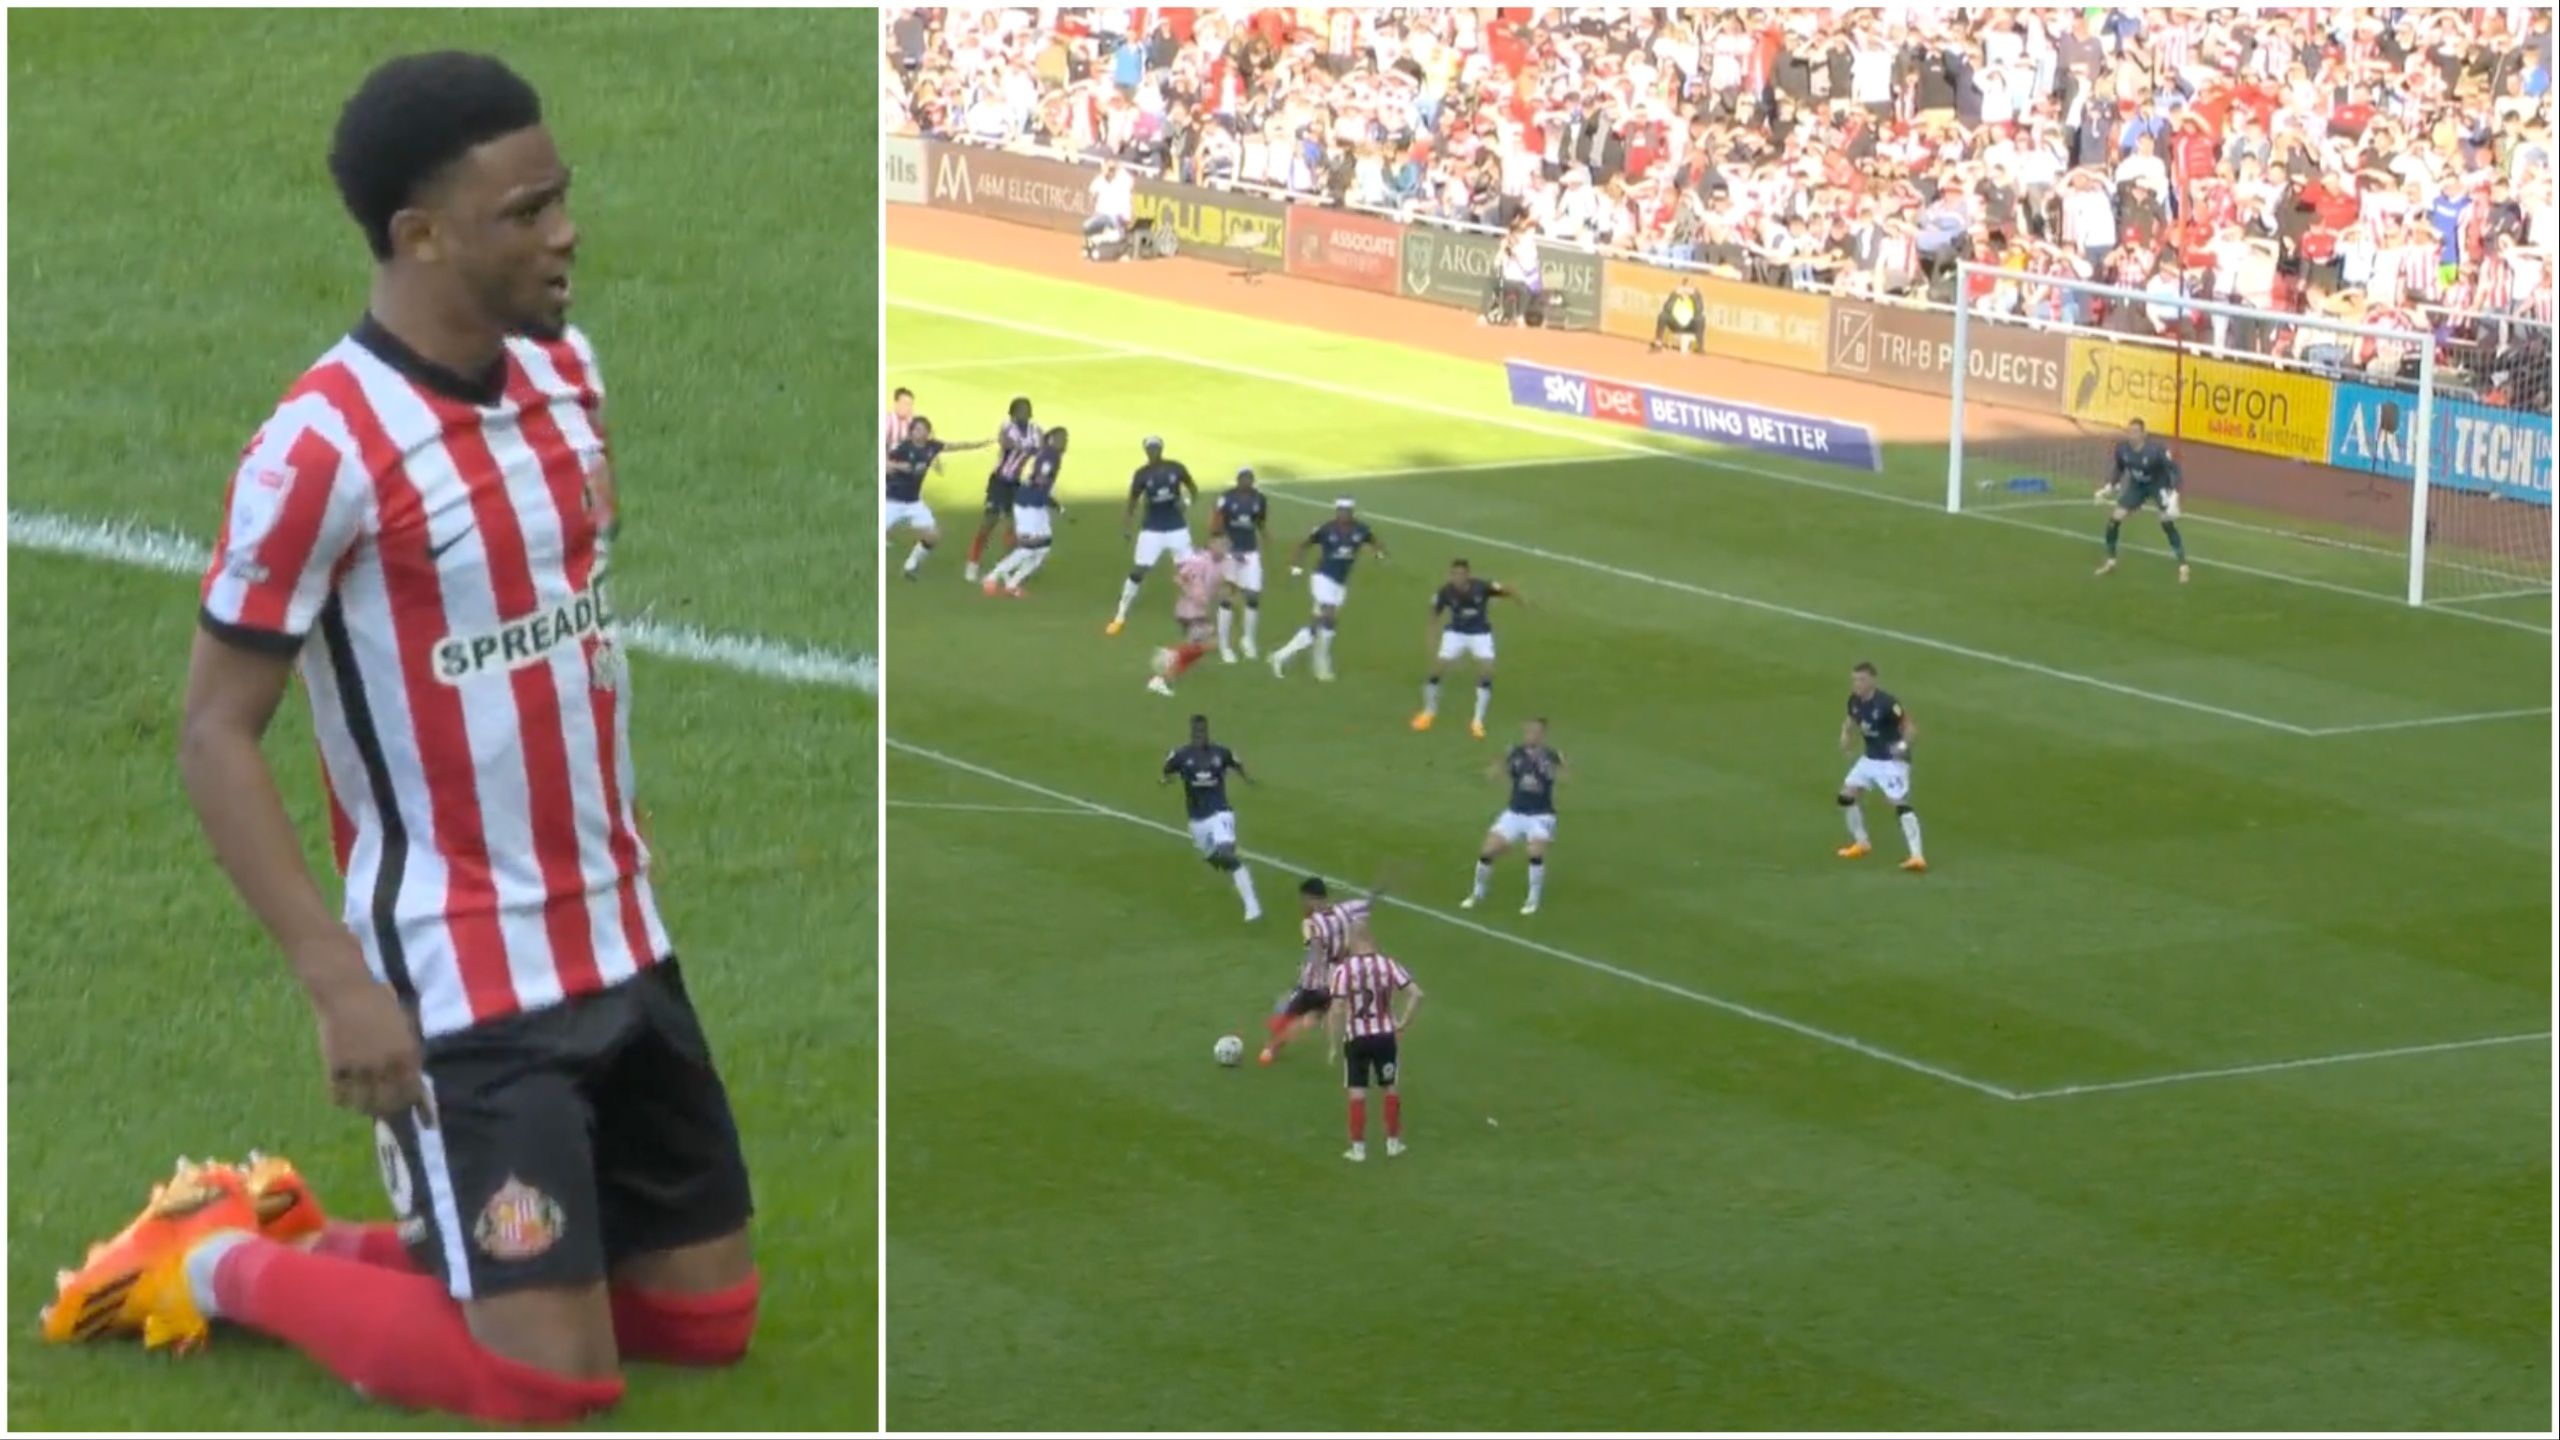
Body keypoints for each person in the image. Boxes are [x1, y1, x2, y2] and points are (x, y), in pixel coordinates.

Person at [44, 52, 759, 1426]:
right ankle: (218, 1262)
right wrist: (339, 982)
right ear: (421, 236)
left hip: (622, 931)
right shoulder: (319, 451)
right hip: (462, 982)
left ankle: (329, 1240)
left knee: (702, 1324)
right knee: (543, 1383)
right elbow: (214, 732)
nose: (566, 232)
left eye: (564, 197)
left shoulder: (567, 370)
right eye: (527, 211)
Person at [1324, 928, 1421, 1163]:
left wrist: (1333, 1045)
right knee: (1389, 1087)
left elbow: (1336, 1009)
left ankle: (1358, 1150)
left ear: (1355, 942)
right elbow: (1416, 994)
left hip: (1356, 1038)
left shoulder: (1343, 971)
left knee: (1357, 1092)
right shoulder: (1388, 965)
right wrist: (1402, 1024)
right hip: (1385, 1036)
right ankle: (1393, 1144)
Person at [1159, 713, 1263, 922]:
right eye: (1196, 732)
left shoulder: (1220, 753)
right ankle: (1238, 869)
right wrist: (1165, 780)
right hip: (1197, 820)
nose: (1200, 735)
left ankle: (1252, 906)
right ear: (1191, 733)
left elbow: (1236, 763)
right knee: (1215, 859)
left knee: (1226, 852)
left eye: (1203, 731)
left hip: (1220, 812)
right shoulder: (1181, 756)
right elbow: (1166, 770)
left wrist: (1248, 779)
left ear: (1207, 732)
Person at [1269, 499, 1387, 681]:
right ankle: (1321, 663)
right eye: (1341, 510)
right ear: (1337, 511)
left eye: (1348, 511)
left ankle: (1280, 656)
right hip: (1322, 578)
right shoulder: (1326, 529)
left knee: (1320, 625)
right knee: (1329, 617)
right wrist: (1296, 566)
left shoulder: (1361, 529)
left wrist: (1379, 553)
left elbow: (1374, 540)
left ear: (1352, 511)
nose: (1345, 514)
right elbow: (1303, 544)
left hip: (1340, 583)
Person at [1260, 878, 1368, 1066]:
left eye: (1304, 899)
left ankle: (1271, 1049)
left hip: (1313, 983)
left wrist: (1319, 980)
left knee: (1285, 1013)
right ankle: (1282, 1041)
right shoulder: (1345, 910)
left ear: (1311, 898)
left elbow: (1317, 952)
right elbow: (1368, 902)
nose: (1303, 903)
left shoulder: (1313, 922)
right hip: (1337, 981)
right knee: (1313, 1015)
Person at [1465, 717, 1565, 915]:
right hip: (1515, 812)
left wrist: (1564, 766)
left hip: (1541, 816)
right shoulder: (1515, 753)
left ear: (1542, 734)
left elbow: (1564, 780)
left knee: (1535, 854)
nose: (1531, 735)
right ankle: (1478, 893)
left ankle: (1532, 899)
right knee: (1487, 852)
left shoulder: (1550, 756)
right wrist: (1496, 767)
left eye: (1535, 731)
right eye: (1528, 731)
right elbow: (1496, 776)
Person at [1413, 558, 1520, 738]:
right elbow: (1434, 614)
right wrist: (1432, 636)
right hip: (1455, 633)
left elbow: (1505, 590)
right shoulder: (1445, 592)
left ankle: (1477, 721)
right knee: (1436, 671)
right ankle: (1428, 712)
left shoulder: (1482, 586)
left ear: (1468, 575)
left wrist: (1521, 602)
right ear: (1451, 575)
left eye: (1462, 574)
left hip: (1480, 634)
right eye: (1455, 574)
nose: (1458, 577)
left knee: (1487, 672)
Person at [1837, 661, 1926, 873]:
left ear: (1872, 681)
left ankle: (1917, 856)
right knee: (1846, 795)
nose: (1857, 684)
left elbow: (1910, 728)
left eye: (1862, 680)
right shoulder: (1854, 701)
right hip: (1870, 759)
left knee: (1897, 803)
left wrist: (1902, 746)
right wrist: (1845, 737)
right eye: (1855, 680)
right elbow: (1850, 722)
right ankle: (1861, 843)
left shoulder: (1887, 703)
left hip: (1891, 762)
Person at [1106, 435, 1196, 636]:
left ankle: (1191, 615)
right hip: (1152, 529)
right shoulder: (1142, 474)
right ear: (1145, 451)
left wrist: (1187, 503)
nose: (1153, 451)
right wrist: (1127, 526)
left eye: (1156, 447)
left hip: (1177, 528)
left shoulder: (1176, 468)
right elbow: (1132, 500)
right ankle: (1120, 614)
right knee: (1139, 571)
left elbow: (1193, 489)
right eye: (1150, 448)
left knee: (1189, 572)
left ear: (1161, 449)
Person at [887, 416, 991, 579]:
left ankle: (911, 565)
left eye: (924, 430)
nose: (921, 433)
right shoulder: (902, 448)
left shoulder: (932, 446)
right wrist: (899, 466)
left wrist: (981, 444)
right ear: (911, 432)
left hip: (914, 502)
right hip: (891, 501)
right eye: (917, 430)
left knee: (933, 535)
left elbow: (956, 446)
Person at [2095, 417, 2191, 582]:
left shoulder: (2155, 451)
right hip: (2137, 486)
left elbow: (2174, 469)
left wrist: (2174, 493)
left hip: (2158, 484)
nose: (2132, 435)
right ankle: (2111, 560)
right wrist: (2109, 486)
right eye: (2129, 431)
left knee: (2166, 523)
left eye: (2135, 432)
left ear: (2144, 434)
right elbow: (2119, 468)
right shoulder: (2123, 449)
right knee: (2115, 518)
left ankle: (2183, 565)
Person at [963, 395, 1043, 583]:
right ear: (1012, 413)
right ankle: (973, 563)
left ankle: (1006, 567)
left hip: (1015, 483)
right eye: (1020, 410)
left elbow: (1040, 448)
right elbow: (1006, 442)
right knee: (989, 521)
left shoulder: (1035, 430)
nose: (1025, 413)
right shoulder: (1007, 427)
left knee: (1014, 526)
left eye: (1027, 409)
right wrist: (1027, 448)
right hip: (999, 481)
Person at [981, 425, 1067, 596]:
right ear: (1052, 440)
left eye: (1066, 439)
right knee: (1028, 548)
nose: (1065, 443)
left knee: (1043, 547)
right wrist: (1054, 503)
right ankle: (991, 577)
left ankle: (1012, 584)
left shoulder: (1050, 454)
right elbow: (1040, 480)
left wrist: (1053, 503)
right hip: (1028, 505)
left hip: (1037, 505)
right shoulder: (1050, 456)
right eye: (1061, 439)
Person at [1148, 535, 1229, 696]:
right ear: (1212, 545)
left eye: (1226, 546)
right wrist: (1192, 594)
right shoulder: (1198, 561)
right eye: (1220, 545)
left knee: (1196, 650)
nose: (1223, 549)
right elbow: (1179, 578)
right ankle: (1166, 664)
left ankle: (1166, 674)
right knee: (1208, 644)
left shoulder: (1223, 564)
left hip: (1200, 611)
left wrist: (1219, 597)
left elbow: (1217, 587)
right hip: (1188, 611)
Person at [1209, 466, 1268, 662]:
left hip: (1250, 553)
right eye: (1243, 478)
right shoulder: (1226, 498)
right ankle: (1224, 645)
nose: (1247, 482)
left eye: (1250, 478)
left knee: (1252, 597)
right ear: (1238, 480)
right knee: (1228, 598)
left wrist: (1264, 538)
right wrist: (1226, 549)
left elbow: (1259, 522)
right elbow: (1216, 526)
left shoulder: (1259, 499)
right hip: (1230, 554)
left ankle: (1248, 640)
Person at [1651, 276, 1706, 352]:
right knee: (1663, 315)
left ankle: (1700, 347)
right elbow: (1667, 308)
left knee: (1700, 318)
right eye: (1684, 286)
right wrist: (1675, 295)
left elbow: (1699, 310)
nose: (1686, 290)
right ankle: (1658, 343)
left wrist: (1693, 296)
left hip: (1689, 325)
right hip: (1676, 323)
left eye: (1689, 287)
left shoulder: (1696, 296)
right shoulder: (1675, 295)